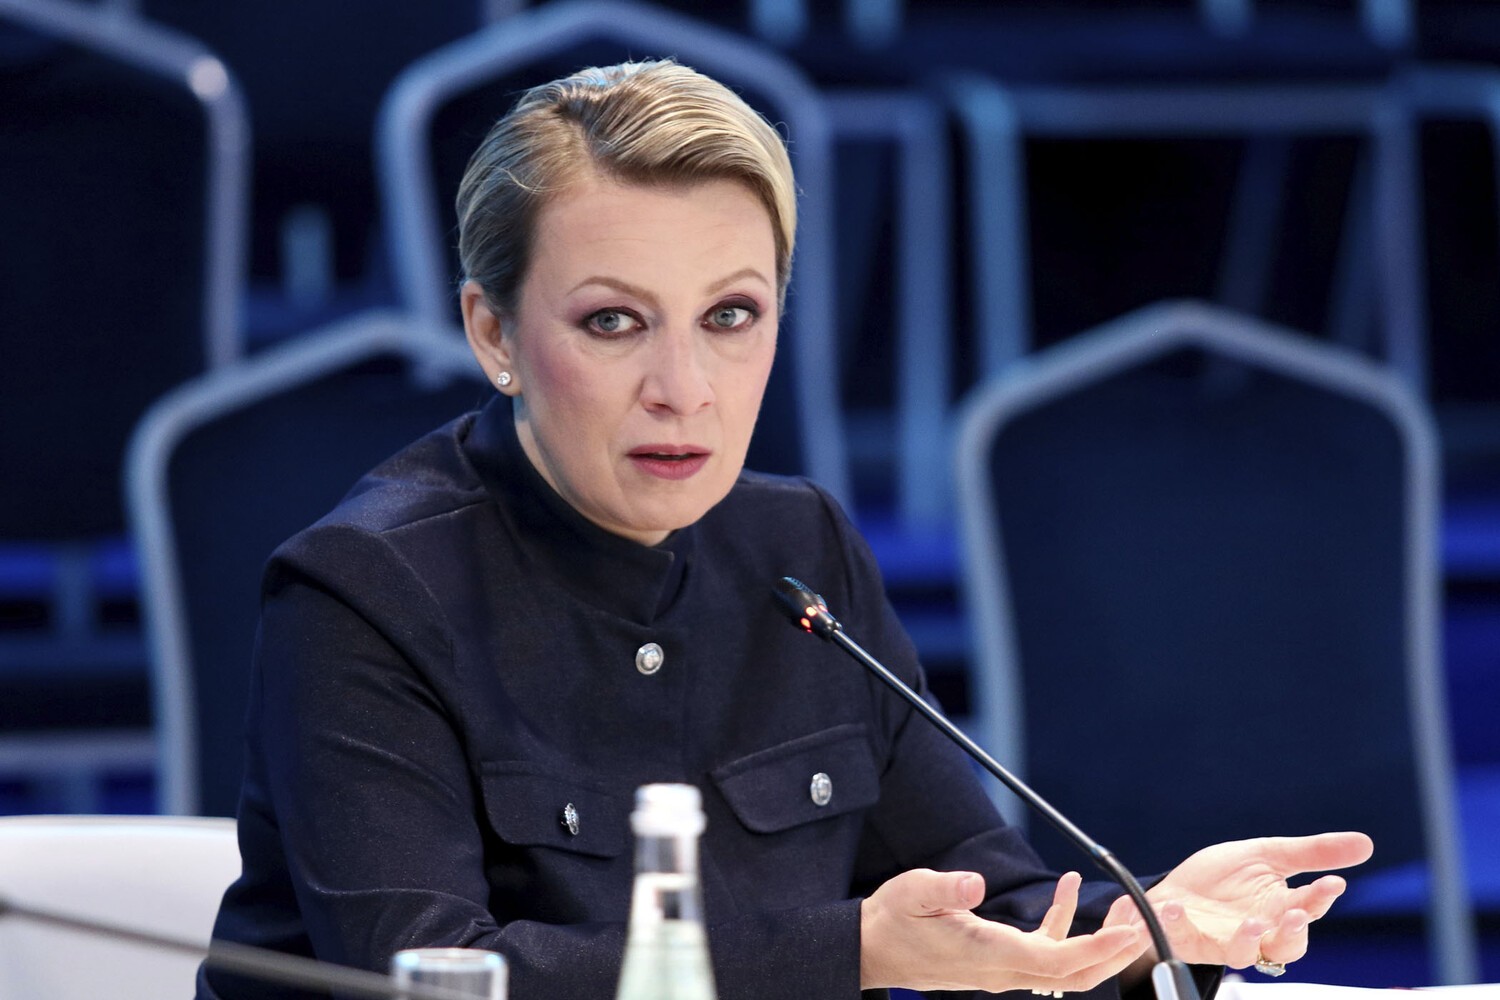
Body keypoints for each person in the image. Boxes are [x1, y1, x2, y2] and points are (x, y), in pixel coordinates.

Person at [196, 60, 1373, 1000]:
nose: (684, 389)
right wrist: (847, 952)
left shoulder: (798, 555)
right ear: (493, 333)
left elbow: (996, 921)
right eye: (613, 322)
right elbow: (437, 978)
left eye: (730, 316)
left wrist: (1150, 931)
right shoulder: (364, 592)